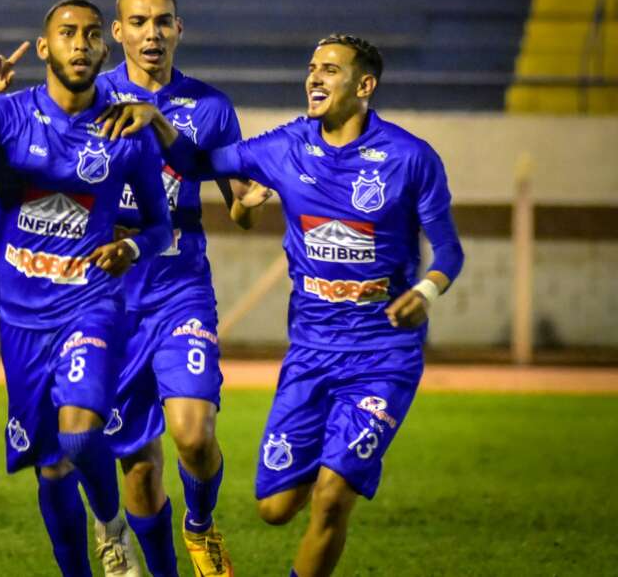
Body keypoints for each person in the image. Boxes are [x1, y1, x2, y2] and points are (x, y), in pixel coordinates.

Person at [101, 34, 465, 577]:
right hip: (312, 352)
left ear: (364, 86)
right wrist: (156, 120)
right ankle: (334, 451)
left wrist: (428, 288)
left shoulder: (410, 159)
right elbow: (198, 162)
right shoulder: (286, 146)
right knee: (273, 509)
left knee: (332, 497)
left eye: (331, 70)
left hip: (383, 354)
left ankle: (344, 460)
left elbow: (450, 250)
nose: (315, 78)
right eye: (312, 68)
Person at [0, 0, 173, 577]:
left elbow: (158, 225)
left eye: (92, 35)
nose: (81, 44)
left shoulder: (127, 128)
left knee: (79, 438)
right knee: (49, 468)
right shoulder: (8, 114)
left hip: (91, 303)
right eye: (68, 33)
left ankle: (112, 527)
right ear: (44, 47)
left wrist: (132, 248)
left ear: (105, 48)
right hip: (22, 315)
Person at [93, 0, 271, 577]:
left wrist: (251, 202)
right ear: (117, 32)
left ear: (179, 29)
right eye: (138, 22)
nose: (151, 33)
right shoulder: (87, 99)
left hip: (178, 290)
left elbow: (240, 207)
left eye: (163, 21)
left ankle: (201, 524)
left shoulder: (211, 108)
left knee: (193, 436)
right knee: (139, 465)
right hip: (107, 303)